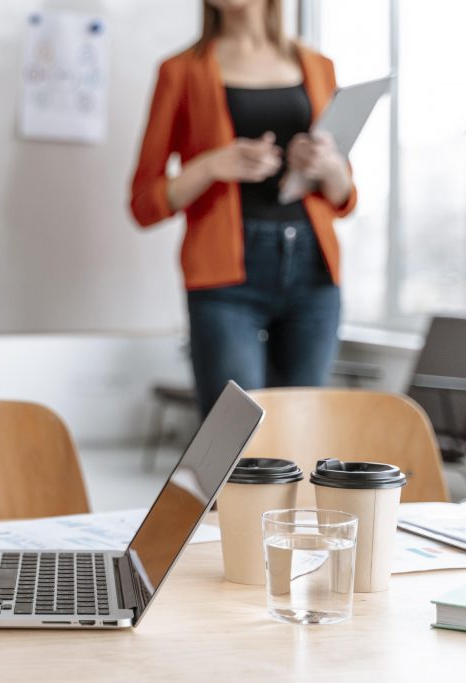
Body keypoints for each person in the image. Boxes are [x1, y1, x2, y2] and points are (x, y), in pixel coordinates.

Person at [130, 0, 356, 416]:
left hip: (314, 271)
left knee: (304, 433)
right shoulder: (180, 70)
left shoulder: (318, 65)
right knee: (233, 439)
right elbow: (144, 203)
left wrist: (328, 167)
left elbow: (344, 197)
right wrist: (211, 165)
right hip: (225, 280)